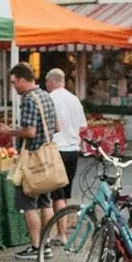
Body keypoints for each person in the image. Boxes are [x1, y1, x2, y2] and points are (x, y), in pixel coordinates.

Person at [8, 63, 60, 259]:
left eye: (14, 82)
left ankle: (36, 246)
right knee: (45, 203)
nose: (14, 87)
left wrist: (10, 132)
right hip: (47, 159)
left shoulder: (29, 99)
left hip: (32, 159)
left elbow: (29, 131)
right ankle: (46, 245)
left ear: (22, 79)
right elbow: (57, 126)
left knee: (28, 204)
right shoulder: (46, 95)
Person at [46, 67, 87, 239]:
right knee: (66, 192)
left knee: (57, 194)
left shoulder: (50, 99)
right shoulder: (74, 99)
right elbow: (83, 126)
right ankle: (62, 229)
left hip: (57, 149)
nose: (46, 85)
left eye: (47, 82)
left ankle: (61, 234)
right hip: (73, 149)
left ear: (51, 82)